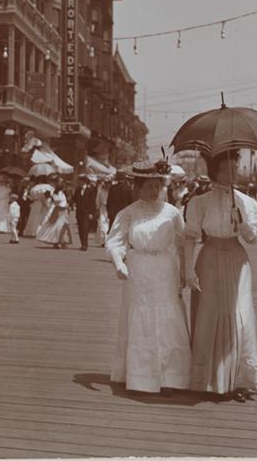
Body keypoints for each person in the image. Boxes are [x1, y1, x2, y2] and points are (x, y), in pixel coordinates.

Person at [183, 150, 257, 402]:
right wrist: (188, 270)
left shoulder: (245, 202)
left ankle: (238, 381)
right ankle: (208, 381)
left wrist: (243, 223)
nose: (234, 172)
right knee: (209, 315)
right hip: (209, 259)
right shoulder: (200, 202)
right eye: (228, 168)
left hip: (237, 259)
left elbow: (255, 238)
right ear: (215, 171)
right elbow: (190, 237)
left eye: (235, 167)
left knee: (240, 315)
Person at [105, 159, 191, 392]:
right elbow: (114, 242)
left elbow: (183, 242)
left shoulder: (172, 212)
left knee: (167, 316)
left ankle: (171, 376)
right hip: (138, 270)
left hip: (165, 269)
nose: (154, 191)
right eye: (149, 186)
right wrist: (118, 263)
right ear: (138, 188)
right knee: (140, 316)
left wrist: (185, 270)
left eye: (157, 186)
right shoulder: (129, 213)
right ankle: (141, 375)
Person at [36, 177, 72, 248]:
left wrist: (67, 204)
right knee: (57, 226)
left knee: (63, 227)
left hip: (64, 211)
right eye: (59, 182)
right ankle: (57, 241)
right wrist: (53, 197)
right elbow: (56, 201)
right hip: (58, 210)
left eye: (61, 182)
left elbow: (64, 200)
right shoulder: (54, 192)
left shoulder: (63, 192)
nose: (61, 183)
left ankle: (62, 241)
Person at [72, 174, 97, 251]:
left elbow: (92, 202)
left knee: (85, 228)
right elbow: (74, 199)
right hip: (79, 212)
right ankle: (82, 244)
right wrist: (70, 204)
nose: (79, 182)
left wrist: (91, 213)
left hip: (87, 212)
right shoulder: (78, 189)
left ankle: (85, 245)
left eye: (80, 180)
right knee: (80, 229)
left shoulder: (90, 190)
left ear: (84, 181)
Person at [95, 176, 112, 247]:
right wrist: (97, 208)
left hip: (110, 209)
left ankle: (108, 241)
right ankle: (103, 241)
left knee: (109, 225)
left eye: (109, 183)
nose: (107, 185)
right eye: (106, 183)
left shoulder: (112, 191)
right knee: (102, 225)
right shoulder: (101, 191)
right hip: (103, 209)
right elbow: (98, 200)